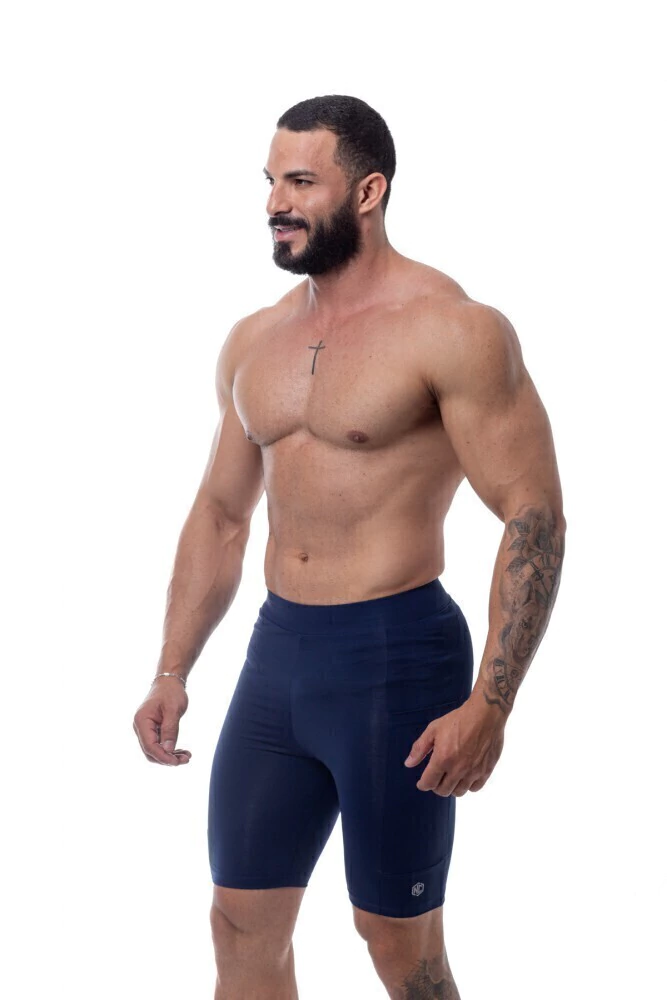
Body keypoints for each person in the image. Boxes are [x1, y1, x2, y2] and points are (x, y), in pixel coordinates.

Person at [133, 94, 566, 1000]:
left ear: (368, 192)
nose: (274, 203)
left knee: (398, 946)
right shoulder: (255, 341)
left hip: (394, 657)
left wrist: (491, 702)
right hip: (278, 658)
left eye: (300, 181)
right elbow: (219, 513)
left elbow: (532, 514)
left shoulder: (453, 328)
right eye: (269, 182)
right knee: (238, 923)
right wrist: (172, 667)